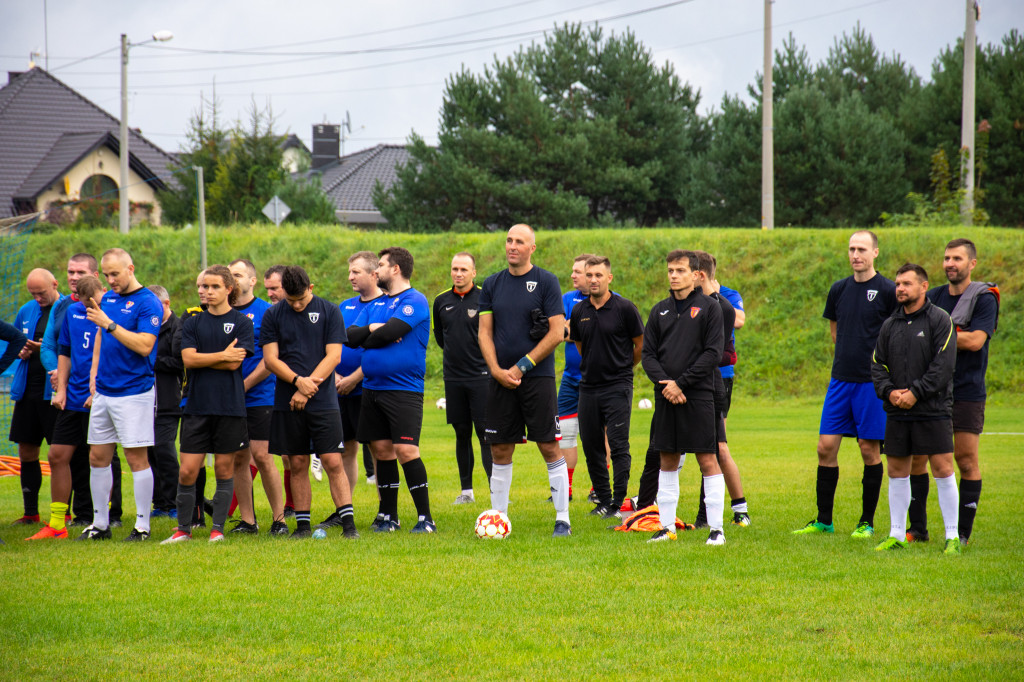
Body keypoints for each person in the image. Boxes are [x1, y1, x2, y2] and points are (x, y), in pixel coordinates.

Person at [794, 231, 896, 538]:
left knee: (869, 450)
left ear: (875, 253)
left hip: (871, 383)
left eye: (862, 249)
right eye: (852, 249)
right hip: (840, 381)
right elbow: (835, 332)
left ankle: (866, 522)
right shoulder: (838, 289)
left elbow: (894, 336)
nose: (856, 254)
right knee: (825, 448)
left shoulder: (888, 290)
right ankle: (824, 520)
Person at [478, 224, 570, 537]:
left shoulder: (546, 281)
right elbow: (484, 332)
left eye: (520, 241)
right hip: (500, 379)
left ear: (532, 248)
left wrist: (521, 367)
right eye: (508, 240)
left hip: (537, 378)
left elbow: (557, 332)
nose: (512, 246)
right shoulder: (492, 284)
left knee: (548, 445)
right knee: (500, 450)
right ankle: (498, 519)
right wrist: (496, 370)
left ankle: (562, 518)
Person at [908, 238, 998, 546]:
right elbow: (911, 333)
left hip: (967, 390)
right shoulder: (931, 297)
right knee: (918, 459)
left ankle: (962, 534)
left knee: (965, 458)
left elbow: (975, 341)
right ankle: (917, 530)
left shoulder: (984, 298)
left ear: (971, 263)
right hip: (931, 389)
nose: (950, 263)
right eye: (946, 258)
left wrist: (937, 334)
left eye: (957, 258)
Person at [261, 266, 357, 539]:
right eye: (291, 300)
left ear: (311, 288)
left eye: (301, 299)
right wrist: (295, 382)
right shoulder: (273, 314)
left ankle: (348, 526)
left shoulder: (329, 311)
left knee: (332, 460)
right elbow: (270, 359)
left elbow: (334, 356)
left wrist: (306, 387)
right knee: (298, 462)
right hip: (288, 400)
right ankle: (302, 527)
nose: (297, 304)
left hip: (322, 400)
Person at [871, 263, 960, 554]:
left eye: (906, 283)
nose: (900, 288)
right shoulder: (889, 325)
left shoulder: (940, 320)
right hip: (898, 410)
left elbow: (943, 365)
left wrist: (915, 392)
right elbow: (877, 365)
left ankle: (952, 537)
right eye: (898, 283)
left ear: (923, 287)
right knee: (896, 470)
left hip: (932, 409)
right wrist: (890, 392)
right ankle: (897, 534)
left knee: (943, 468)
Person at [161, 266, 254, 544]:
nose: (206, 291)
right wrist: (222, 355)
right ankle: (183, 530)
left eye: (213, 287)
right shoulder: (192, 323)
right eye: (203, 287)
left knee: (225, 470)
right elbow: (188, 359)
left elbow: (236, 362)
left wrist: (212, 357)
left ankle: (218, 530)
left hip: (229, 407)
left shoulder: (242, 322)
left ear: (228, 289)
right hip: (197, 406)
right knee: (188, 470)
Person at [347, 247, 435, 533]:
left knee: (406, 449)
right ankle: (389, 516)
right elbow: (350, 337)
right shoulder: (375, 305)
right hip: (373, 388)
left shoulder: (415, 300)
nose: (376, 271)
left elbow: (389, 333)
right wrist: (375, 329)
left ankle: (425, 518)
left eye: (381, 265)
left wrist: (373, 332)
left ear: (395, 269)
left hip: (403, 390)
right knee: (382, 450)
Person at [77, 248, 163, 541]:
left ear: (131, 268)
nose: (110, 280)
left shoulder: (148, 302)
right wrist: (93, 376)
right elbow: (101, 335)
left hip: (134, 392)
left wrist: (110, 325)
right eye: (106, 274)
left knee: (135, 458)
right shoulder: (109, 298)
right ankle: (100, 525)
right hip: (104, 390)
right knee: (97, 456)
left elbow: (144, 346)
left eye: (115, 273)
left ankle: (142, 526)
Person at [641, 250, 725, 545]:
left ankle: (717, 530)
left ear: (695, 274)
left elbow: (713, 353)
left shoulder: (709, 308)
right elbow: (647, 355)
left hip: (698, 395)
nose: (674, 275)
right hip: (666, 395)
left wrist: (682, 383)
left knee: (707, 459)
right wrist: (667, 384)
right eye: (670, 270)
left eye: (679, 270)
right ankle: (667, 528)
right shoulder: (659, 310)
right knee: (667, 459)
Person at [26, 275, 105, 540]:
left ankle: (105, 520)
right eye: (84, 303)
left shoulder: (112, 315)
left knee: (102, 460)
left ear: (103, 292)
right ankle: (57, 524)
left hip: (102, 397)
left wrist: (99, 390)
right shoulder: (72, 312)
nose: (88, 306)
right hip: (73, 398)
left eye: (93, 301)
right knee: (57, 455)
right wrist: (60, 390)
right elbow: (65, 351)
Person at [569, 255, 643, 517]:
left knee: (619, 444)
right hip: (588, 387)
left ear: (609, 278)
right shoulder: (579, 312)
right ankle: (603, 500)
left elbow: (641, 345)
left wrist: (623, 367)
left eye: (599, 275)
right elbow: (581, 346)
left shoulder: (624, 308)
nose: (593, 280)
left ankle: (618, 502)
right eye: (589, 275)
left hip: (618, 386)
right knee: (591, 445)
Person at [228, 259, 288, 536]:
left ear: (252, 281)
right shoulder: (220, 311)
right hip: (229, 397)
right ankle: (248, 521)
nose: (234, 279)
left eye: (238, 275)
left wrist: (244, 385)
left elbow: (270, 360)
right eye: (230, 275)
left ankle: (280, 520)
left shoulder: (267, 312)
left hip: (260, 395)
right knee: (239, 458)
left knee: (262, 457)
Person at [692, 251, 750, 528]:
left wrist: (716, 295)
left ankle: (737, 509)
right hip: (691, 377)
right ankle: (654, 507)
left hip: (719, 376)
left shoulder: (727, 294)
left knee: (717, 446)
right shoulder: (686, 298)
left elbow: (738, 320)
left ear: (700, 274)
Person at [433, 252, 492, 504]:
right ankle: (466, 492)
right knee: (461, 433)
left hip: (481, 377)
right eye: (455, 269)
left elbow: (492, 335)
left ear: (474, 273)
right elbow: (440, 338)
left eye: (464, 269)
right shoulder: (440, 301)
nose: (458, 273)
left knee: (486, 433)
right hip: (453, 378)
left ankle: (495, 491)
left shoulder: (484, 299)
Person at [9, 268, 63, 524]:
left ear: (54, 284)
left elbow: (68, 347)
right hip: (27, 391)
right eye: (33, 293)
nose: (37, 298)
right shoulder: (26, 310)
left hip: (53, 392)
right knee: (27, 452)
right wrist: (22, 350)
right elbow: (15, 341)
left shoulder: (66, 308)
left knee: (60, 455)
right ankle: (30, 512)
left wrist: (45, 349)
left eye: (41, 293)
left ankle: (65, 513)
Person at [335, 251, 383, 491]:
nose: (350, 277)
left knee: (377, 448)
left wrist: (354, 378)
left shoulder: (386, 304)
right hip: (339, 388)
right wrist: (334, 376)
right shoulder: (344, 306)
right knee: (346, 449)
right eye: (349, 272)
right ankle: (346, 509)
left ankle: (384, 510)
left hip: (369, 388)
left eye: (356, 272)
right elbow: (331, 345)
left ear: (374, 274)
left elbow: (382, 352)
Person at [556, 254, 594, 502]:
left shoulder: (613, 301)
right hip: (570, 379)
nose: (572, 275)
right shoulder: (567, 299)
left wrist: (574, 328)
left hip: (597, 380)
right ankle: (565, 489)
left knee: (598, 435)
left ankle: (597, 490)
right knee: (564, 433)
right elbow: (558, 331)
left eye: (577, 272)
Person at [146, 285, 183, 519]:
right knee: (149, 453)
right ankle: (159, 503)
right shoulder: (146, 326)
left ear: (166, 304)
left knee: (165, 450)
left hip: (169, 402)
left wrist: (152, 361)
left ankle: (175, 502)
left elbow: (181, 362)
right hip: (145, 401)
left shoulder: (179, 329)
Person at [263, 264, 296, 519]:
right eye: (268, 289)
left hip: (295, 391)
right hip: (271, 392)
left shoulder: (302, 315)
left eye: (275, 288)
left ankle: (293, 506)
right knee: (267, 454)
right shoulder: (271, 315)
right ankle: (290, 506)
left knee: (289, 455)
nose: (271, 293)